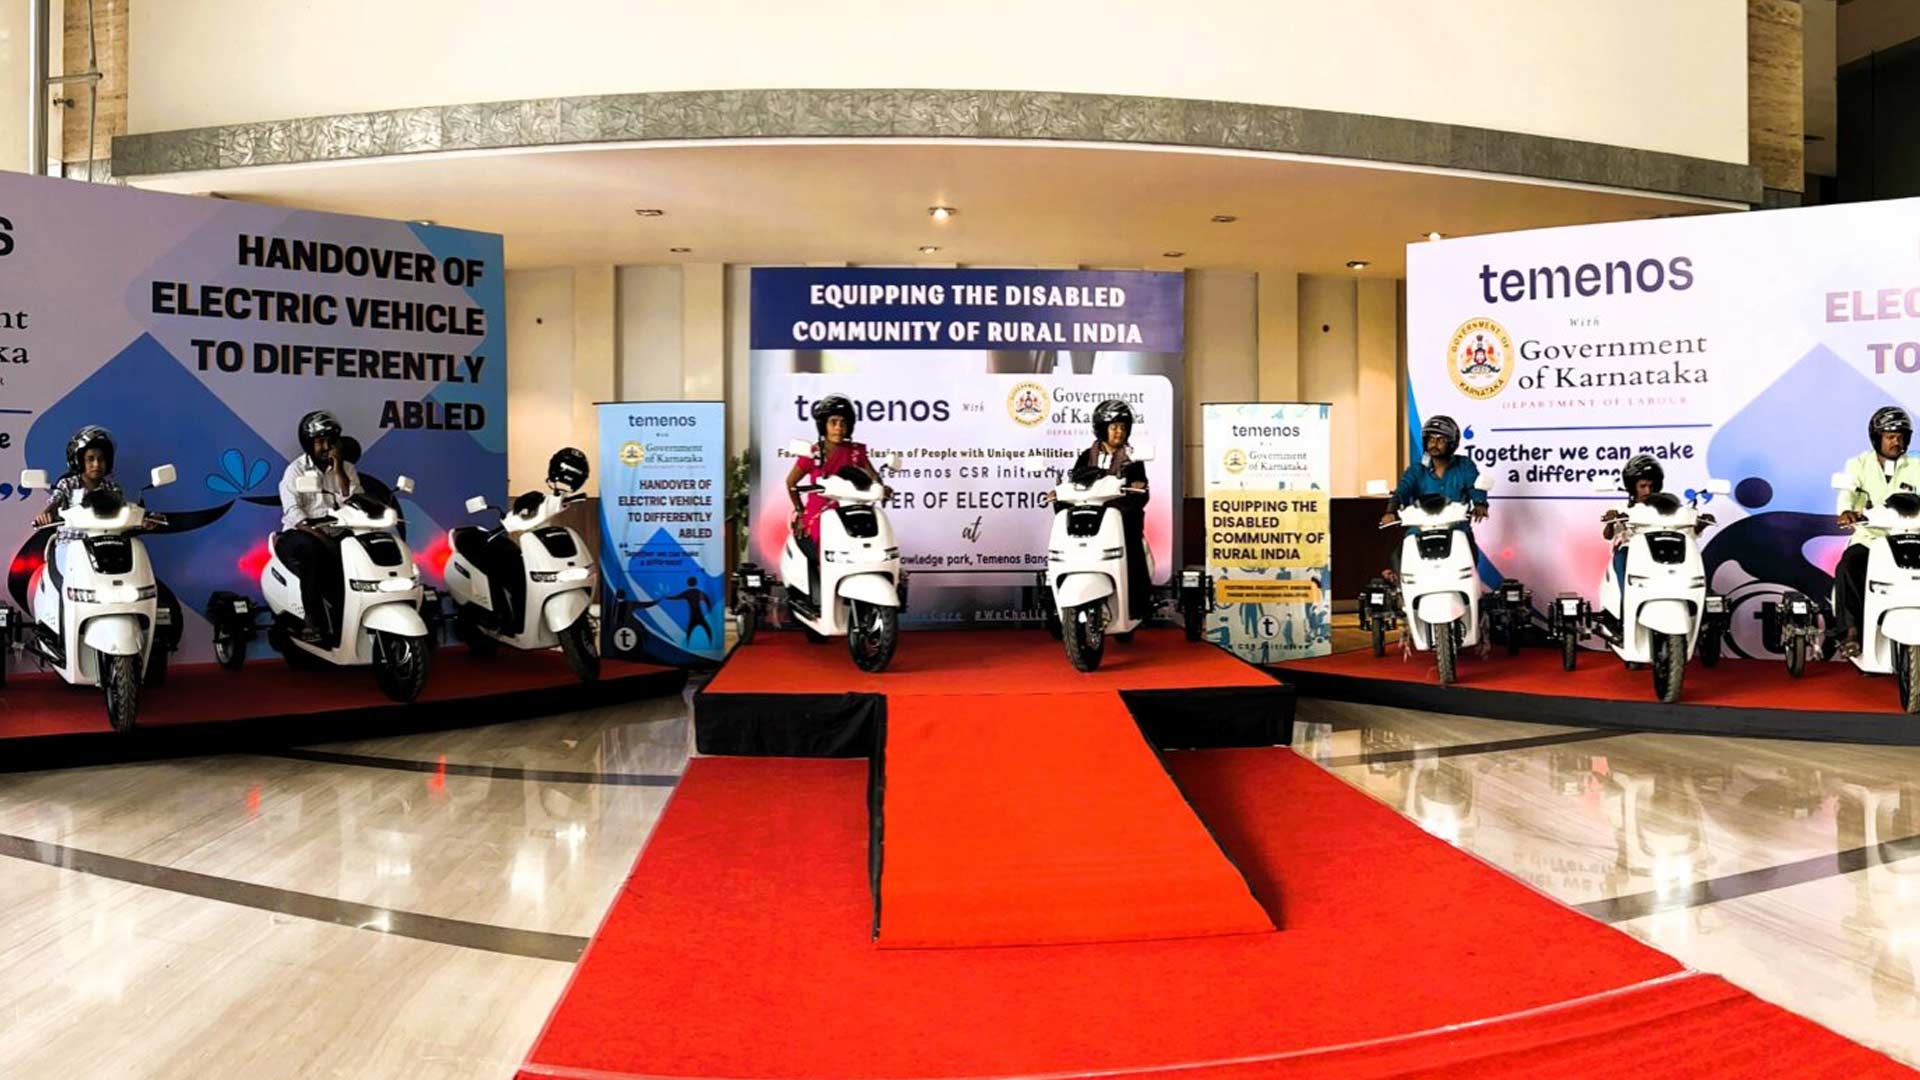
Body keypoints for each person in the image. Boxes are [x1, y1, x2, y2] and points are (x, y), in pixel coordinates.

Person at [784, 395, 888, 605]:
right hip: (819, 511)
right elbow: (791, 482)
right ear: (824, 425)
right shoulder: (813, 452)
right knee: (826, 540)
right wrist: (801, 513)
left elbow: (873, 476)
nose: (839, 428)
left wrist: (882, 487)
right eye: (833, 422)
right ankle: (825, 593)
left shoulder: (856, 452)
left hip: (851, 507)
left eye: (843, 423)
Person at [1835, 406, 1920, 658]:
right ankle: (1850, 632)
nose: (1897, 441)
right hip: (1870, 540)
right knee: (1848, 565)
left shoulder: (1916, 467)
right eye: (1890, 436)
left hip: (1910, 539)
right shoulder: (1858, 465)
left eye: (1901, 436)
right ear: (1877, 438)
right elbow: (1847, 494)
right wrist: (1846, 512)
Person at [276, 410, 362, 644]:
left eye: (331, 441)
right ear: (308, 443)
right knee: (311, 551)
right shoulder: (296, 470)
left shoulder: (347, 470)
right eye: (320, 441)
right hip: (300, 534)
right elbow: (294, 513)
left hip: (336, 533)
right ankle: (312, 621)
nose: (326, 446)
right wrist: (324, 540)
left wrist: (339, 469)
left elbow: (355, 503)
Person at [1380, 415, 1486, 580]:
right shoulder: (1416, 470)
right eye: (1430, 439)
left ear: (1452, 443)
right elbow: (1403, 489)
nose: (1434, 443)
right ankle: (1402, 594)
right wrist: (1390, 510)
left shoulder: (1464, 465)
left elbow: (1475, 485)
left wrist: (1480, 503)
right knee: (1398, 558)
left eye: (1441, 439)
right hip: (1421, 530)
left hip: (1457, 530)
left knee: (1471, 560)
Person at [1072, 399, 1151, 620]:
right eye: (1114, 426)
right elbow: (1074, 481)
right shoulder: (1086, 456)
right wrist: (1059, 494)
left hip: (1121, 517)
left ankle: (1137, 606)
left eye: (1123, 427)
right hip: (1090, 514)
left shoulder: (1133, 458)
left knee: (1132, 546)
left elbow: (1142, 489)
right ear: (1102, 429)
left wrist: (1137, 489)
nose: (1119, 432)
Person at [34, 426, 129, 591]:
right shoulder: (68, 484)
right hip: (71, 546)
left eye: (101, 459)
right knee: (71, 584)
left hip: (105, 546)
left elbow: (123, 511)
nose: (96, 464)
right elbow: (55, 501)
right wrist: (46, 515)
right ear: (79, 461)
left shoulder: (113, 489)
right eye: (90, 459)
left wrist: (143, 520)